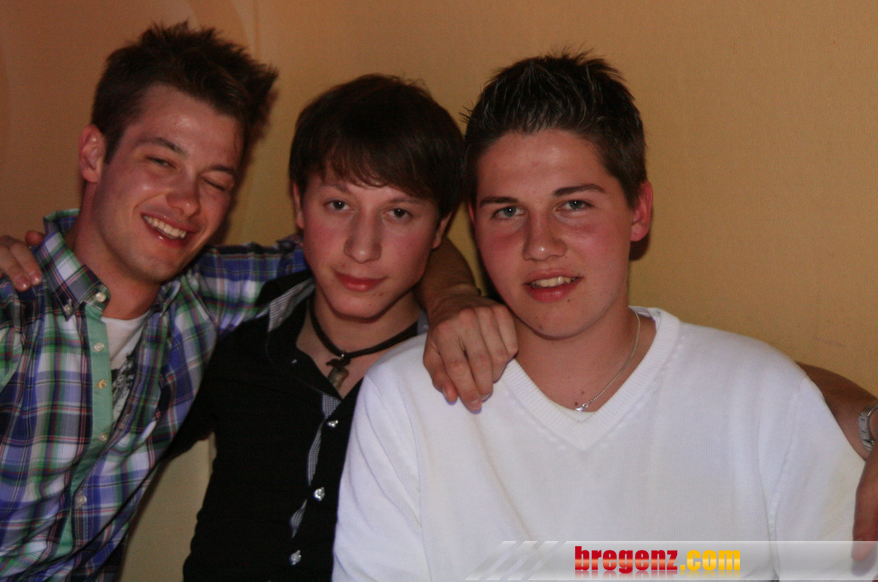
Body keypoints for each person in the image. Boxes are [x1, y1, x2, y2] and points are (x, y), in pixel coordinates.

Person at [0, 23, 505, 582]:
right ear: (94, 154)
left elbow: (377, 252)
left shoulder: (204, 304)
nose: (186, 202)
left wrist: (453, 297)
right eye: (161, 162)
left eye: (214, 180)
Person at [333, 53, 863, 581]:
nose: (540, 245)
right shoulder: (408, 400)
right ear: (474, 224)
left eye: (574, 205)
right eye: (508, 211)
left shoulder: (762, 398)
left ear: (638, 211)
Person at [163, 74, 464, 581]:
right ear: (299, 203)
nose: (362, 247)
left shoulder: (466, 369)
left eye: (398, 213)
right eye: (338, 205)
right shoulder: (234, 332)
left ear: (440, 228)